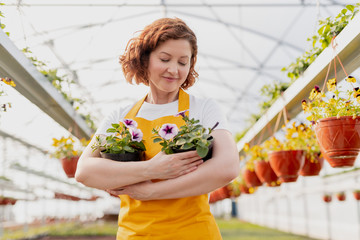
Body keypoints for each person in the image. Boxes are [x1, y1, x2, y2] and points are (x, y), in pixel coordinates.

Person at [75, 17, 240, 239]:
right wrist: (152, 169)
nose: (174, 69)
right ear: (145, 60)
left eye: (183, 62)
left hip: (194, 232)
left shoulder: (205, 109)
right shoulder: (118, 116)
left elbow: (227, 167)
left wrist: (152, 192)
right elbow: (84, 170)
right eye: (165, 59)